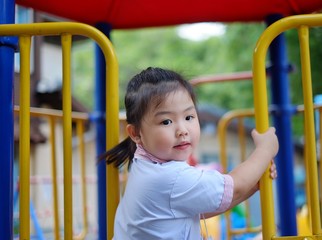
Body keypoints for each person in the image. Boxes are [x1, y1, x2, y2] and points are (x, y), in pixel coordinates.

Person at [99, 67, 279, 240]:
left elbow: (201, 208)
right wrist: (265, 149)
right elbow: (235, 186)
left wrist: (253, 185)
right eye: (166, 121)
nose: (182, 130)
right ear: (136, 133)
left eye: (188, 117)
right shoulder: (168, 177)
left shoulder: (146, 166)